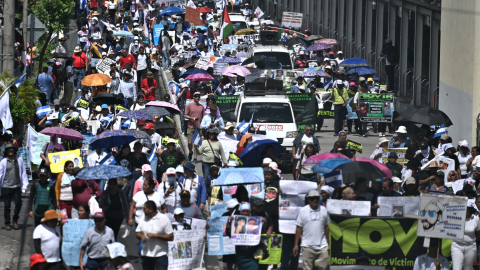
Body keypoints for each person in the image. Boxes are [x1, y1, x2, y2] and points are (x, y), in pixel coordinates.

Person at [293, 190, 330, 270]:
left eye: (317, 198)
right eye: (312, 198)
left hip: (322, 246)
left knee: (324, 267)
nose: (315, 200)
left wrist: (327, 243)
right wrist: (296, 244)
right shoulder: (303, 211)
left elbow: (326, 227)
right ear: (308, 199)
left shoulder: (324, 210)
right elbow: (299, 228)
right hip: (307, 246)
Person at [136, 200, 174, 270]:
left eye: (144, 209)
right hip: (146, 254)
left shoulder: (164, 219)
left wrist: (156, 236)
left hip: (161, 254)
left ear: (151, 209)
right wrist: (141, 236)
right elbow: (137, 232)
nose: (143, 210)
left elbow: (171, 237)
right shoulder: (143, 218)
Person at [1, 143, 29, 230]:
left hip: (16, 186)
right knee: (7, 205)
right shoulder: (3, 162)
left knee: (19, 204)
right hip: (6, 186)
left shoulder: (19, 160)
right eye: (8, 150)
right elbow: (0, 175)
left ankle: (15, 220)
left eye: (12, 149)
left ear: (15, 150)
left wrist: (24, 185)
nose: (10, 151)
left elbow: (23, 173)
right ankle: (7, 223)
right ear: (6, 151)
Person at [451, 199, 480, 270]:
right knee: (456, 268)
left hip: (470, 247)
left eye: (467, 208)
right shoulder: (456, 218)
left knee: (468, 268)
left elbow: (478, 233)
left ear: (470, 209)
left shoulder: (475, 219)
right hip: (457, 246)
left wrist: (471, 241)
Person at [185, 91, 205, 161]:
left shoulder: (202, 107)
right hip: (190, 126)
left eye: (198, 96)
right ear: (193, 97)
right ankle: (190, 152)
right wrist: (192, 118)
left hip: (198, 127)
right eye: (196, 96)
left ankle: (195, 157)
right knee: (189, 142)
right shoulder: (189, 105)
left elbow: (203, 117)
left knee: (196, 144)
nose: (197, 97)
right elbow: (185, 115)